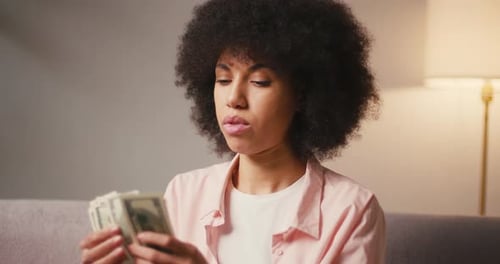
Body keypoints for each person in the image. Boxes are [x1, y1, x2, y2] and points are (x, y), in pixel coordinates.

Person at [80, 0, 386, 263]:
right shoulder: (184, 193)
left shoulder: (350, 210)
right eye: (223, 80)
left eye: (259, 82)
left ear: (303, 95)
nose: (234, 99)